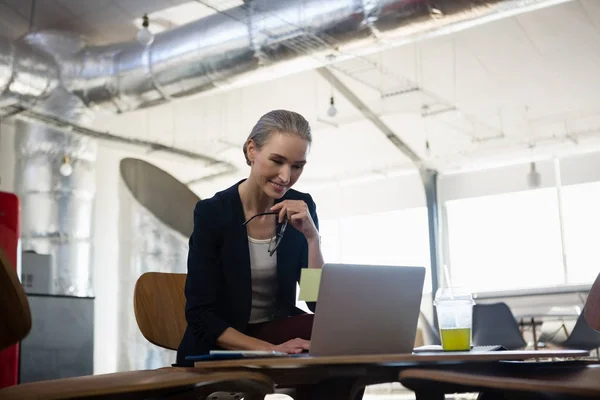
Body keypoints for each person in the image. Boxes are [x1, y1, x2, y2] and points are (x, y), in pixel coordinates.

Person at [176, 109, 324, 365]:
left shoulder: (302, 206)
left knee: (332, 345)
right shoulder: (213, 213)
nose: (286, 177)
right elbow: (201, 316)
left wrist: (313, 238)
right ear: (252, 150)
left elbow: (314, 300)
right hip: (224, 343)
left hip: (275, 335)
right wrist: (269, 350)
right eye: (277, 161)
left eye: (297, 166)